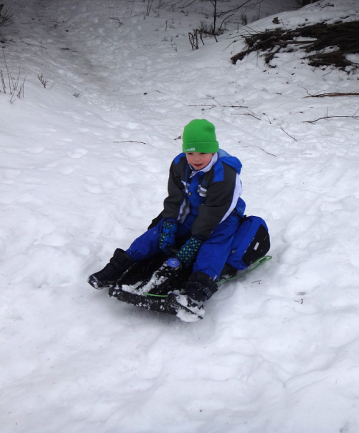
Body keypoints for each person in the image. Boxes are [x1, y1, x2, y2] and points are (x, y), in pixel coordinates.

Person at [88, 118, 246, 316]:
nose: (196, 159)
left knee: (214, 245)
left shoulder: (224, 173)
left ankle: (196, 291)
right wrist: (170, 223)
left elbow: (216, 210)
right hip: (193, 212)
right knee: (156, 231)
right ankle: (118, 266)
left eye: (202, 153)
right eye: (190, 153)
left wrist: (197, 239)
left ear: (213, 150)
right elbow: (176, 198)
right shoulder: (180, 164)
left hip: (223, 218)